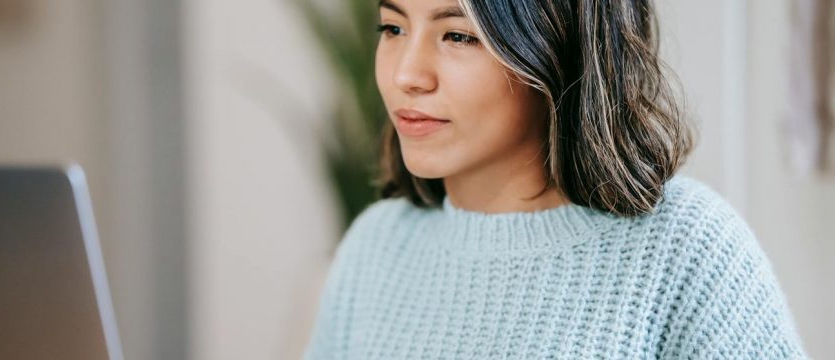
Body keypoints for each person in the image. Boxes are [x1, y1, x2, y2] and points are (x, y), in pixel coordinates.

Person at [302, 0, 812, 358]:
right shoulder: (375, 248)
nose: (406, 75)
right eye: (392, 28)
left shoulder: (685, 250)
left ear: (555, 45)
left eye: (457, 35)